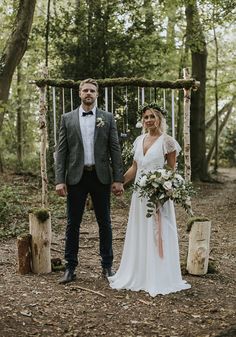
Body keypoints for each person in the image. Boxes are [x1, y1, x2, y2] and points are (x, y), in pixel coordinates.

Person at [108, 103, 191, 297]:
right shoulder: (139, 140)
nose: (149, 120)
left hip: (159, 196)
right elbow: (135, 168)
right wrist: (119, 183)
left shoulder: (168, 142)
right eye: (145, 117)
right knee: (140, 230)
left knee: (158, 232)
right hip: (139, 195)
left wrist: (162, 187)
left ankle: (160, 276)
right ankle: (140, 273)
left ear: (160, 118)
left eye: (152, 116)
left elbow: (171, 170)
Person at [55, 78, 124, 284]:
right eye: (85, 90)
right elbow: (61, 152)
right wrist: (60, 180)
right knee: (72, 223)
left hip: (100, 176)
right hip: (76, 177)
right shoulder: (67, 118)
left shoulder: (107, 118)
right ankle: (70, 267)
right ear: (79, 93)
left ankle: (107, 266)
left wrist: (118, 178)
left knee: (105, 222)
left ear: (97, 94)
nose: (88, 93)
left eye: (92, 91)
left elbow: (115, 149)